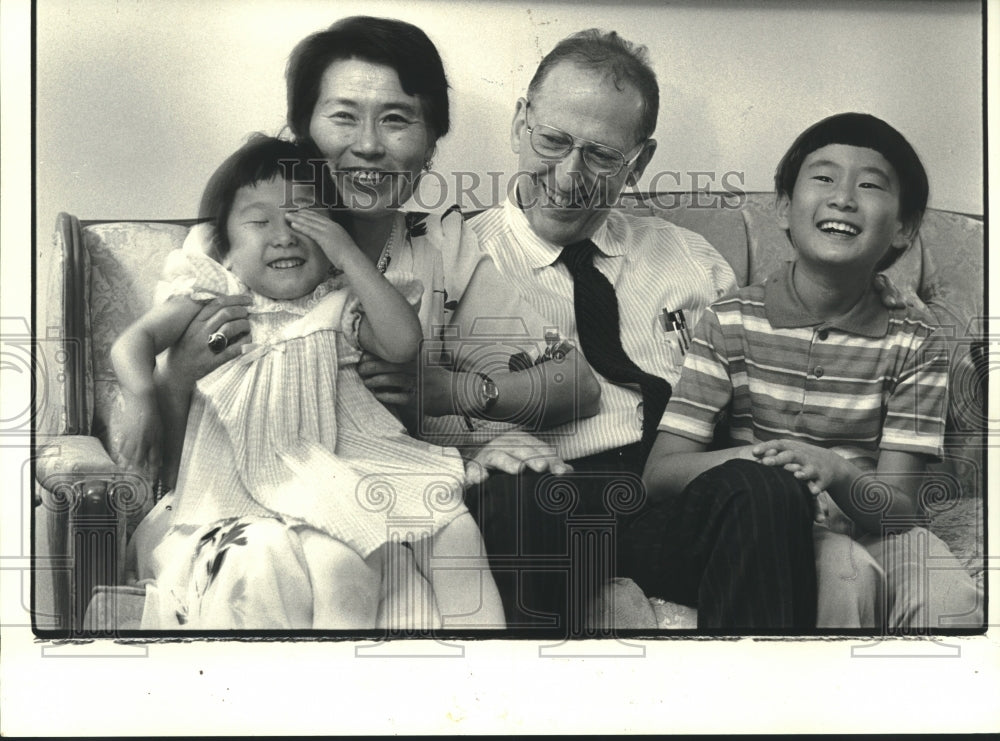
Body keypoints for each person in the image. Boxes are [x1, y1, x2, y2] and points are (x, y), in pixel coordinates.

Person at [149, 16, 596, 629]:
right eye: (343, 117)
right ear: (302, 130)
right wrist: (177, 377)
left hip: (385, 497)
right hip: (244, 497)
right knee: (267, 559)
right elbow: (157, 449)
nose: (368, 145)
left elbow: (575, 383)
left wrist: (452, 393)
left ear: (432, 142)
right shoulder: (228, 251)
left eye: (396, 118)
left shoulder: (441, 247)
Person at [112, 135, 505, 629]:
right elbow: (132, 344)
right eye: (259, 222)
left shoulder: (341, 303)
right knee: (342, 562)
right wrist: (141, 395)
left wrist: (349, 257)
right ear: (224, 249)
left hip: (351, 462)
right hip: (262, 473)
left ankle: (491, 668)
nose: (284, 235)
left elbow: (404, 344)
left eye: (305, 219)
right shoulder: (218, 296)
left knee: (457, 531)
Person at [637, 112, 983, 630]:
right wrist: (772, 463)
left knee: (949, 599)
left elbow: (900, 511)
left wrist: (839, 471)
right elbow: (660, 474)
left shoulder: (917, 342)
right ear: (784, 207)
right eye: (823, 178)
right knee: (846, 579)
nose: (844, 197)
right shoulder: (729, 319)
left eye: (870, 185)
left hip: (881, 526)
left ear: (905, 227)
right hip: (783, 528)